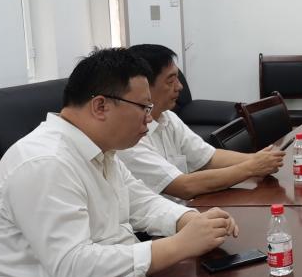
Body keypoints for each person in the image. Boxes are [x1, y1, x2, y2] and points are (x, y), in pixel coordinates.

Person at [0, 48, 238, 277]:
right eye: (143, 108)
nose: (149, 120)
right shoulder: (45, 163)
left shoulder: (101, 151)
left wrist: (187, 219)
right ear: (101, 106)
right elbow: (72, 266)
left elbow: (140, 201)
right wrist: (177, 246)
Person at [118, 44, 283, 200]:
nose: (180, 87)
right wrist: (250, 167)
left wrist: (257, 159)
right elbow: (184, 186)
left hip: (187, 209)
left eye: (178, 78)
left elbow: (208, 157)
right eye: (170, 81)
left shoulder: (168, 118)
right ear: (145, 86)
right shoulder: (130, 140)